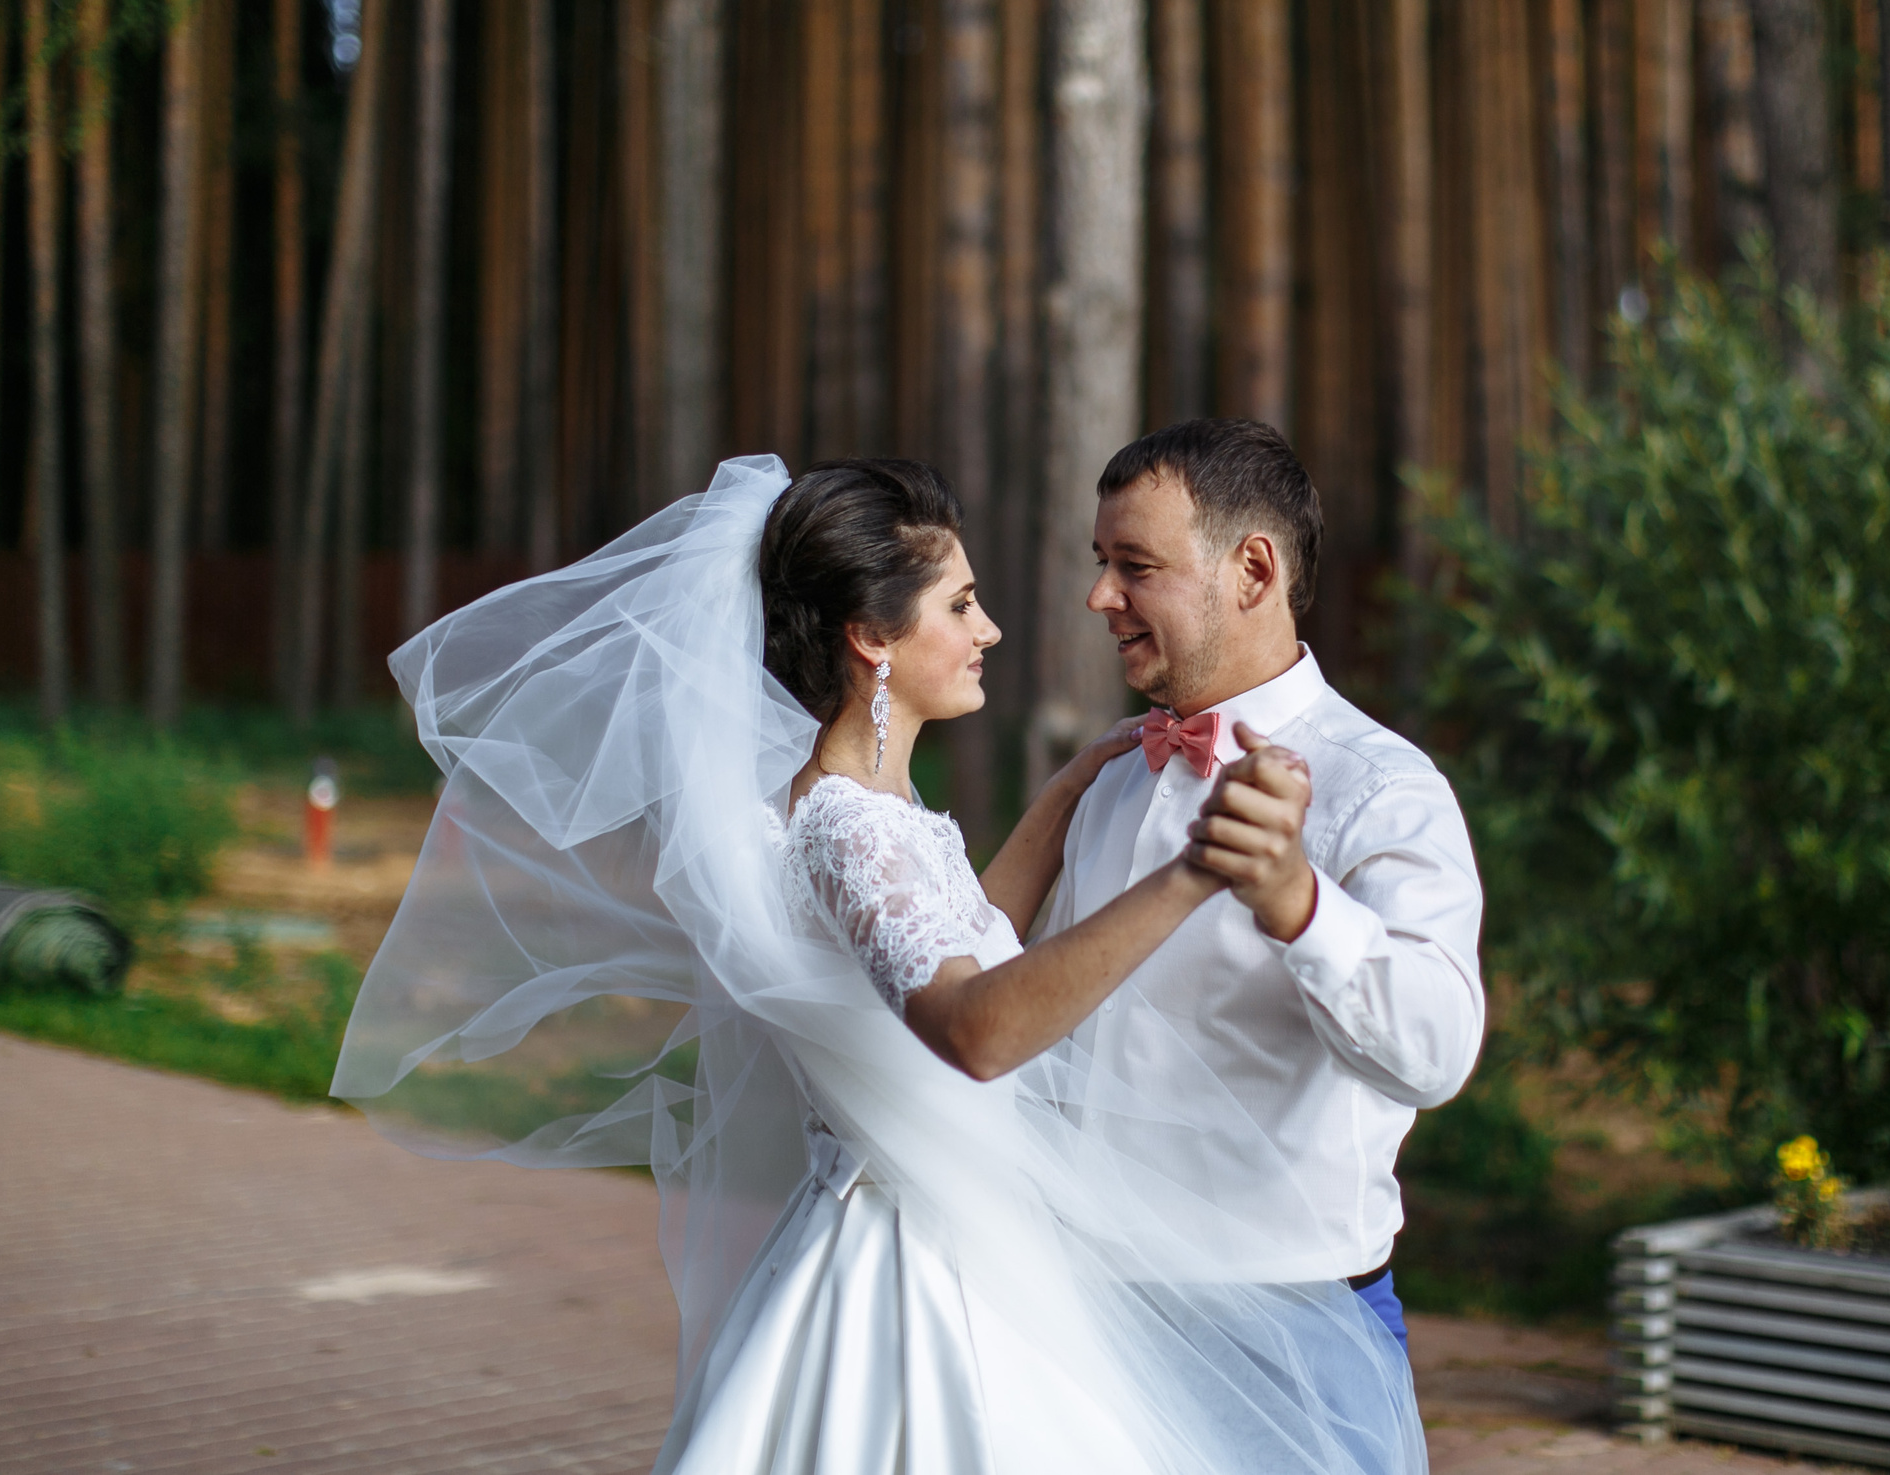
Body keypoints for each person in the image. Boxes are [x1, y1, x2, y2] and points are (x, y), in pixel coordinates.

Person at [332, 453, 1423, 1475]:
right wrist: (1197, 870)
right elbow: (972, 1025)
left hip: (972, 1239)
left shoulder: (875, 817)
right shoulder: (846, 828)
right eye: (958, 606)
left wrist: (1069, 790)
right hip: (916, 1275)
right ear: (872, 639)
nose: (988, 628)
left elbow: (953, 931)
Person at [1038, 417, 1487, 1363]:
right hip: (1090, 1324)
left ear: (1252, 571)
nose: (1099, 595)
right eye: (1100, 561)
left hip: (1292, 1328)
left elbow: (1437, 1053)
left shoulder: (1383, 788)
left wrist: (1300, 904)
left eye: (1135, 565)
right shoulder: (1113, 778)